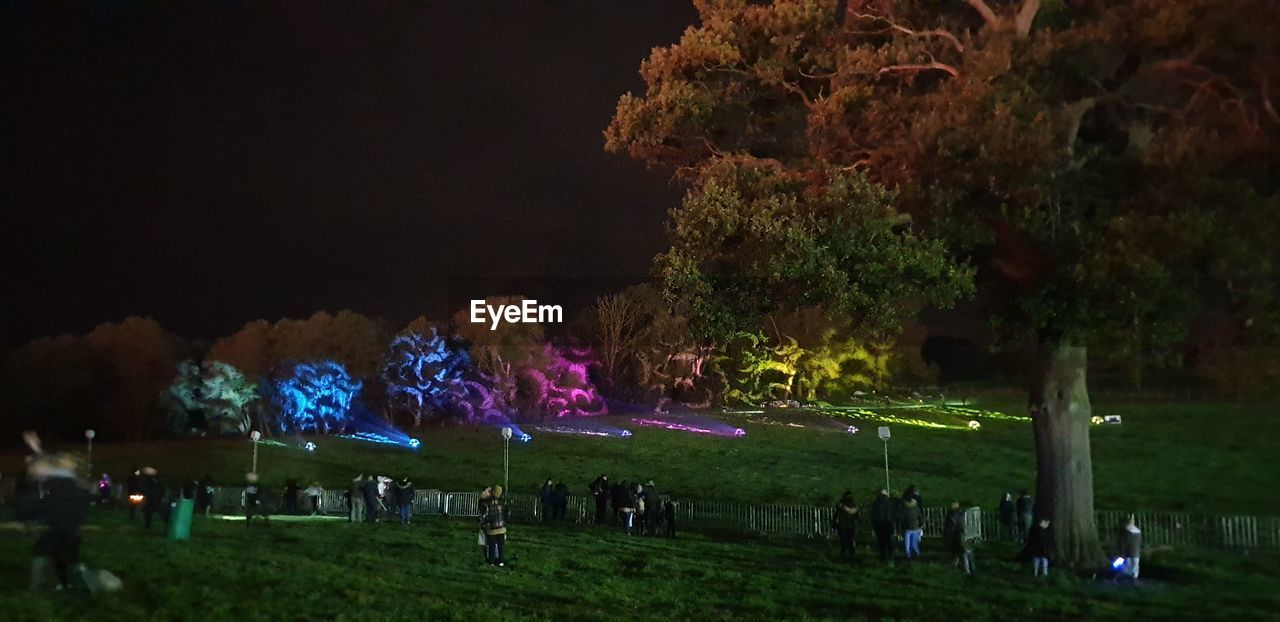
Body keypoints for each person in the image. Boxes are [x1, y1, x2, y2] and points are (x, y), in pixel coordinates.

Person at [24, 433, 91, 592]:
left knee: (43, 551)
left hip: (61, 523)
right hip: (68, 524)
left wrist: (36, 449)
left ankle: (38, 586)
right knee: (63, 555)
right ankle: (70, 583)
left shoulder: (65, 479)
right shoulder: (72, 480)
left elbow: (44, 468)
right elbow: (45, 468)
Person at [480, 485, 508, 567]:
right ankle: (501, 561)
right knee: (501, 546)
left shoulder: (487, 503)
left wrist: (484, 524)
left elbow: (484, 515)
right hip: (501, 528)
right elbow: (507, 512)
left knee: (491, 546)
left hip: (491, 528)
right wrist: (504, 521)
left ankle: (491, 561)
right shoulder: (502, 502)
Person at [833, 491, 860, 562]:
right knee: (850, 541)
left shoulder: (840, 505)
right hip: (851, 526)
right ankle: (852, 555)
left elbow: (836, 515)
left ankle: (843, 555)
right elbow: (857, 516)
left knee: (843, 542)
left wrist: (834, 524)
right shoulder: (854, 505)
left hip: (842, 526)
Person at [944, 502, 971, 574]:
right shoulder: (962, 514)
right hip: (962, 535)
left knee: (960, 552)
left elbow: (949, 527)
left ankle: (966, 569)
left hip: (955, 536)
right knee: (960, 552)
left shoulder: (951, 516)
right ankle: (956, 566)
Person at [870, 489, 896, 562]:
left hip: (879, 525)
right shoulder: (890, 502)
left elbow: (873, 515)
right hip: (888, 524)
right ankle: (890, 555)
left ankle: (882, 556)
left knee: (881, 542)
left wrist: (874, 524)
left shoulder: (876, 503)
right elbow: (893, 514)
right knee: (889, 541)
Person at [1116, 515, 1143, 583]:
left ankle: (1126, 579)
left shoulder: (1125, 531)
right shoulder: (1138, 531)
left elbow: (1122, 543)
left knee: (1127, 566)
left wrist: (1121, 553)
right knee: (1135, 566)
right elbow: (1140, 542)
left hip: (1127, 552)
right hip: (1136, 552)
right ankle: (1134, 578)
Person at [478, 487, 493, 563]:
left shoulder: (490, 501)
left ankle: (491, 557)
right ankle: (487, 557)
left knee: (490, 541)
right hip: (484, 524)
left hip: (489, 524)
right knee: (485, 542)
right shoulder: (483, 502)